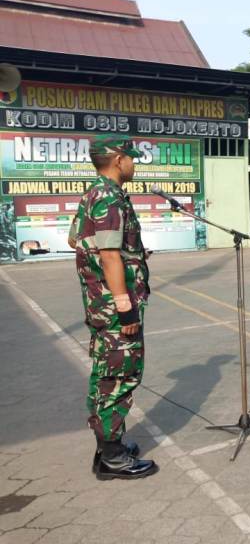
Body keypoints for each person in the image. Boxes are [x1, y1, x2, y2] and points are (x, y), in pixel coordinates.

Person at [68, 134, 157, 480]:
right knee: (119, 376)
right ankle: (112, 458)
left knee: (106, 373)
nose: (133, 163)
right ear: (118, 160)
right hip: (114, 307)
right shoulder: (109, 197)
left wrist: (131, 256)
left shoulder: (93, 193)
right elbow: (107, 254)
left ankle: (110, 447)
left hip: (98, 304)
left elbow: (75, 238)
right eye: (130, 158)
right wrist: (125, 306)